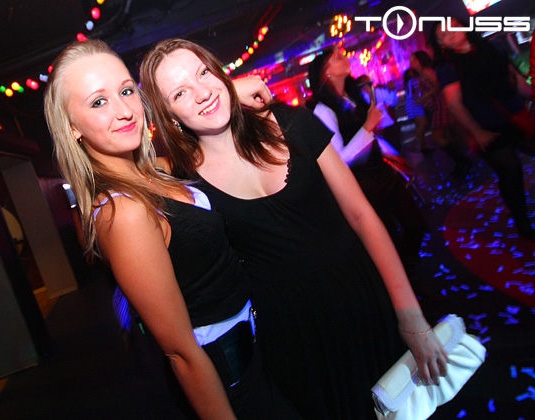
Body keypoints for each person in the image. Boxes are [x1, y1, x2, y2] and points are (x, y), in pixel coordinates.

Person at [139, 38, 448, 419]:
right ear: (168, 116)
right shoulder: (185, 184)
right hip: (295, 340)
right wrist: (225, 91)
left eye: (204, 73)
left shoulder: (290, 122)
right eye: (180, 93)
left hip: (365, 300)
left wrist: (409, 314)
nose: (201, 92)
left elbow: (361, 216)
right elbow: (121, 168)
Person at [43, 39, 299, 419]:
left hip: (260, 354)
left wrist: (227, 90)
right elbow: (181, 354)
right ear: (73, 128)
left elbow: (197, 146)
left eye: (126, 91)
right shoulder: (123, 211)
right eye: (98, 102)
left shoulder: (152, 171)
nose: (124, 111)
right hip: (232, 382)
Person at [307, 48, 428, 278]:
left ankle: (408, 271)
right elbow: (340, 159)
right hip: (363, 185)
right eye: (338, 58)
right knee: (388, 240)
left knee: (417, 224)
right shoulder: (323, 111)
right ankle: (407, 284)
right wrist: (368, 126)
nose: (346, 59)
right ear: (326, 73)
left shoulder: (353, 96)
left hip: (381, 172)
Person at [429, 19, 535, 239]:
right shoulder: (447, 67)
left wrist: (532, 95)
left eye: (452, 27)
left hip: (514, 116)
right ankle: (522, 222)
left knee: (515, 165)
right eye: (443, 35)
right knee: (511, 170)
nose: (450, 33)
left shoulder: (492, 46)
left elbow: (514, 77)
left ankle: (517, 212)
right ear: (441, 44)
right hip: (486, 126)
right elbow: (454, 104)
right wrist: (477, 132)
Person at [409, 50, 473, 177]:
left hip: (441, 105)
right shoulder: (421, 73)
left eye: (414, 60)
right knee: (445, 136)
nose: (412, 63)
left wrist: (425, 96)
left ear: (421, 60)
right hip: (437, 106)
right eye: (411, 61)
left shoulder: (426, 71)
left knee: (437, 137)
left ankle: (463, 161)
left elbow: (438, 86)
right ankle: (462, 162)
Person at [404, 68, 433, 153]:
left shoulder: (409, 82)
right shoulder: (414, 81)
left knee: (420, 125)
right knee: (423, 124)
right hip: (415, 104)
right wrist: (421, 99)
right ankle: (413, 143)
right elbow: (416, 92)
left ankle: (423, 146)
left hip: (412, 104)